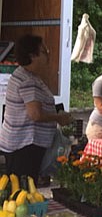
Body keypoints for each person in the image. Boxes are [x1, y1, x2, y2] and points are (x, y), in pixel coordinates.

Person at [0, 35, 72, 180]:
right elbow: (35, 114)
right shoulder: (27, 80)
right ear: (32, 56)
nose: (48, 56)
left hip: (21, 144)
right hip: (24, 145)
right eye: (44, 52)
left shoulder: (27, 75)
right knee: (22, 188)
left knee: (20, 187)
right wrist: (59, 118)